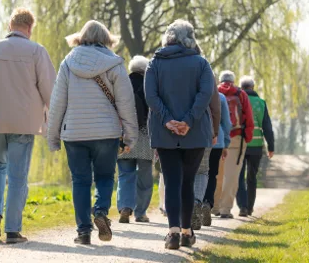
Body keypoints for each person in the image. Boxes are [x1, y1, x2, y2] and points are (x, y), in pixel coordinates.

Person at [47, 20, 138, 245]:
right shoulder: (115, 64)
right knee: (105, 177)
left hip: (75, 133)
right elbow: (126, 103)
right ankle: (100, 212)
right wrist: (130, 136)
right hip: (106, 132)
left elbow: (58, 102)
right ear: (106, 39)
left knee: (80, 181)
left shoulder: (68, 63)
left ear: (81, 37)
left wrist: (53, 136)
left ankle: (83, 232)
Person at [0, 8, 56, 244]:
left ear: (10, 25)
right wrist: (56, 118)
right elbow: (50, 90)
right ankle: (12, 230)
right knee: (17, 175)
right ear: (30, 28)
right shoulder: (36, 51)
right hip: (24, 121)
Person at [145, 20, 215, 250]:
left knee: (172, 180)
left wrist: (168, 120)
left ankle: (173, 232)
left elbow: (151, 96)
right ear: (191, 38)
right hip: (194, 133)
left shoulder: (154, 63)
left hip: (165, 133)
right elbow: (205, 94)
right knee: (188, 181)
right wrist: (188, 120)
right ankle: (187, 231)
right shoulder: (202, 64)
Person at [117, 56, 153, 224]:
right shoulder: (150, 86)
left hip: (124, 136)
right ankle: (140, 212)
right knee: (145, 178)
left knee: (125, 174)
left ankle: (125, 207)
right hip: (145, 136)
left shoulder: (122, 84)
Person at [236, 76, 275, 217]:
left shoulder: (238, 101)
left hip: (239, 145)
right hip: (256, 146)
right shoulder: (261, 103)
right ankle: (250, 207)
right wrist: (271, 146)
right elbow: (267, 127)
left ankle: (242, 207)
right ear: (252, 87)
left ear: (241, 87)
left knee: (239, 177)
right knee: (252, 177)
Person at [218, 71, 254, 219]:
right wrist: (247, 138)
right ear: (233, 81)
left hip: (215, 137)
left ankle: (212, 206)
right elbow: (248, 117)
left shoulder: (213, 91)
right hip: (236, 138)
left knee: (215, 173)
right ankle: (225, 209)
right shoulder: (241, 94)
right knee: (232, 176)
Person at [191, 79, 221, 230]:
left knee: (183, 171)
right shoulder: (206, 75)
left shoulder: (175, 71)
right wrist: (215, 132)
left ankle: (185, 208)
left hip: (177, 131)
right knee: (202, 171)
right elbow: (215, 108)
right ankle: (196, 202)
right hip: (203, 131)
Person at [203, 92, 232, 218]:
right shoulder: (220, 97)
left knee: (196, 172)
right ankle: (208, 203)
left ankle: (196, 202)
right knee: (212, 174)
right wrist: (226, 143)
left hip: (197, 141)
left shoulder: (194, 93)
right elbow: (226, 122)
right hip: (217, 140)